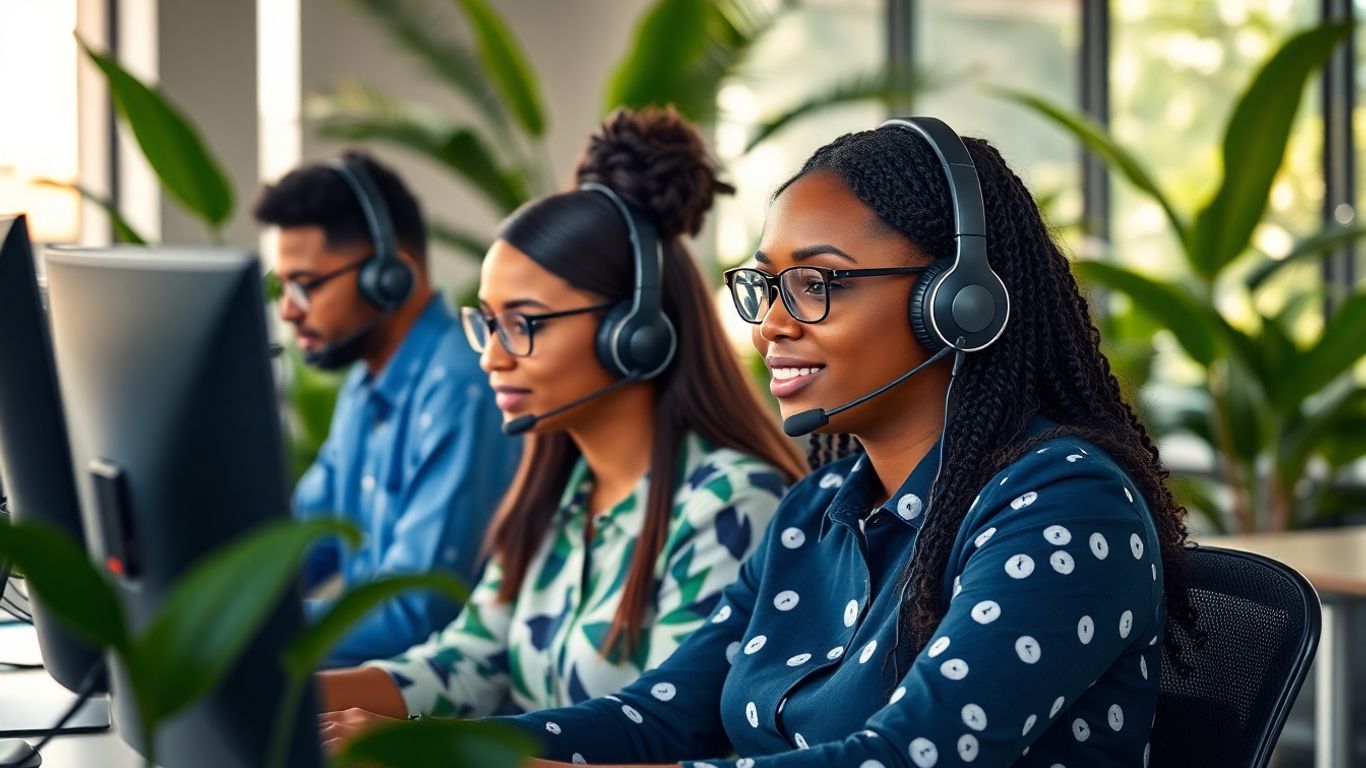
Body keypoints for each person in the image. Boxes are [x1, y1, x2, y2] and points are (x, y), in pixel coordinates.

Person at [324, 117, 1197, 766]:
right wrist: (432, 747)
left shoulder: (1064, 503)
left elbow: (902, 760)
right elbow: (659, 719)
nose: (770, 324)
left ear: (956, 303)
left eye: (816, 283)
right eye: (765, 286)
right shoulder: (817, 512)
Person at [314, 108, 806, 724]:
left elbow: (661, 731)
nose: (491, 357)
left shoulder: (730, 502)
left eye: (523, 324)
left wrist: (423, 749)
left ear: (633, 334)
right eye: (487, 323)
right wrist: (292, 698)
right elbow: (465, 662)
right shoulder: (556, 492)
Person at [253, 152, 521, 667]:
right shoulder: (363, 386)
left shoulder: (462, 390)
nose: (287, 309)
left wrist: (245, 632)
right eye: (283, 287)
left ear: (390, 274)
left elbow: (415, 614)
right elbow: (300, 546)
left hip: (437, 701)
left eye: (305, 285)